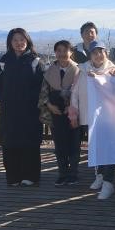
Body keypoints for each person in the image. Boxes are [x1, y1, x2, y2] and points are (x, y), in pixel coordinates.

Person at [0, 28, 45, 186]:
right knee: (9, 142)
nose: (19, 43)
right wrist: (3, 98)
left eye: (22, 39)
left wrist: (32, 100)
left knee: (30, 141)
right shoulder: (3, 61)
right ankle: (13, 177)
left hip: (30, 110)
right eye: (15, 40)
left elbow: (42, 86)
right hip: (9, 110)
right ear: (10, 42)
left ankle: (31, 176)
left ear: (27, 41)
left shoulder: (35, 61)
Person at [69, 41, 115, 199]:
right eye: (94, 52)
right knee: (95, 147)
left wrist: (112, 79)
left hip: (110, 117)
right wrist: (73, 112)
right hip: (89, 115)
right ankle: (99, 175)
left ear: (106, 53)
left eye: (101, 51)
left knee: (109, 149)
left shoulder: (113, 70)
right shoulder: (82, 69)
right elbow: (75, 92)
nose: (98, 55)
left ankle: (108, 183)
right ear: (89, 55)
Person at [38, 40, 81, 186]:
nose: (62, 54)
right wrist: (49, 105)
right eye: (58, 51)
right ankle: (62, 173)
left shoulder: (78, 70)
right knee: (59, 144)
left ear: (71, 52)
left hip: (74, 113)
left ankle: (73, 174)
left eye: (65, 50)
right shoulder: (49, 71)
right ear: (55, 53)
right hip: (55, 112)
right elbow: (43, 92)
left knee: (74, 143)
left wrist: (72, 106)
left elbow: (82, 92)